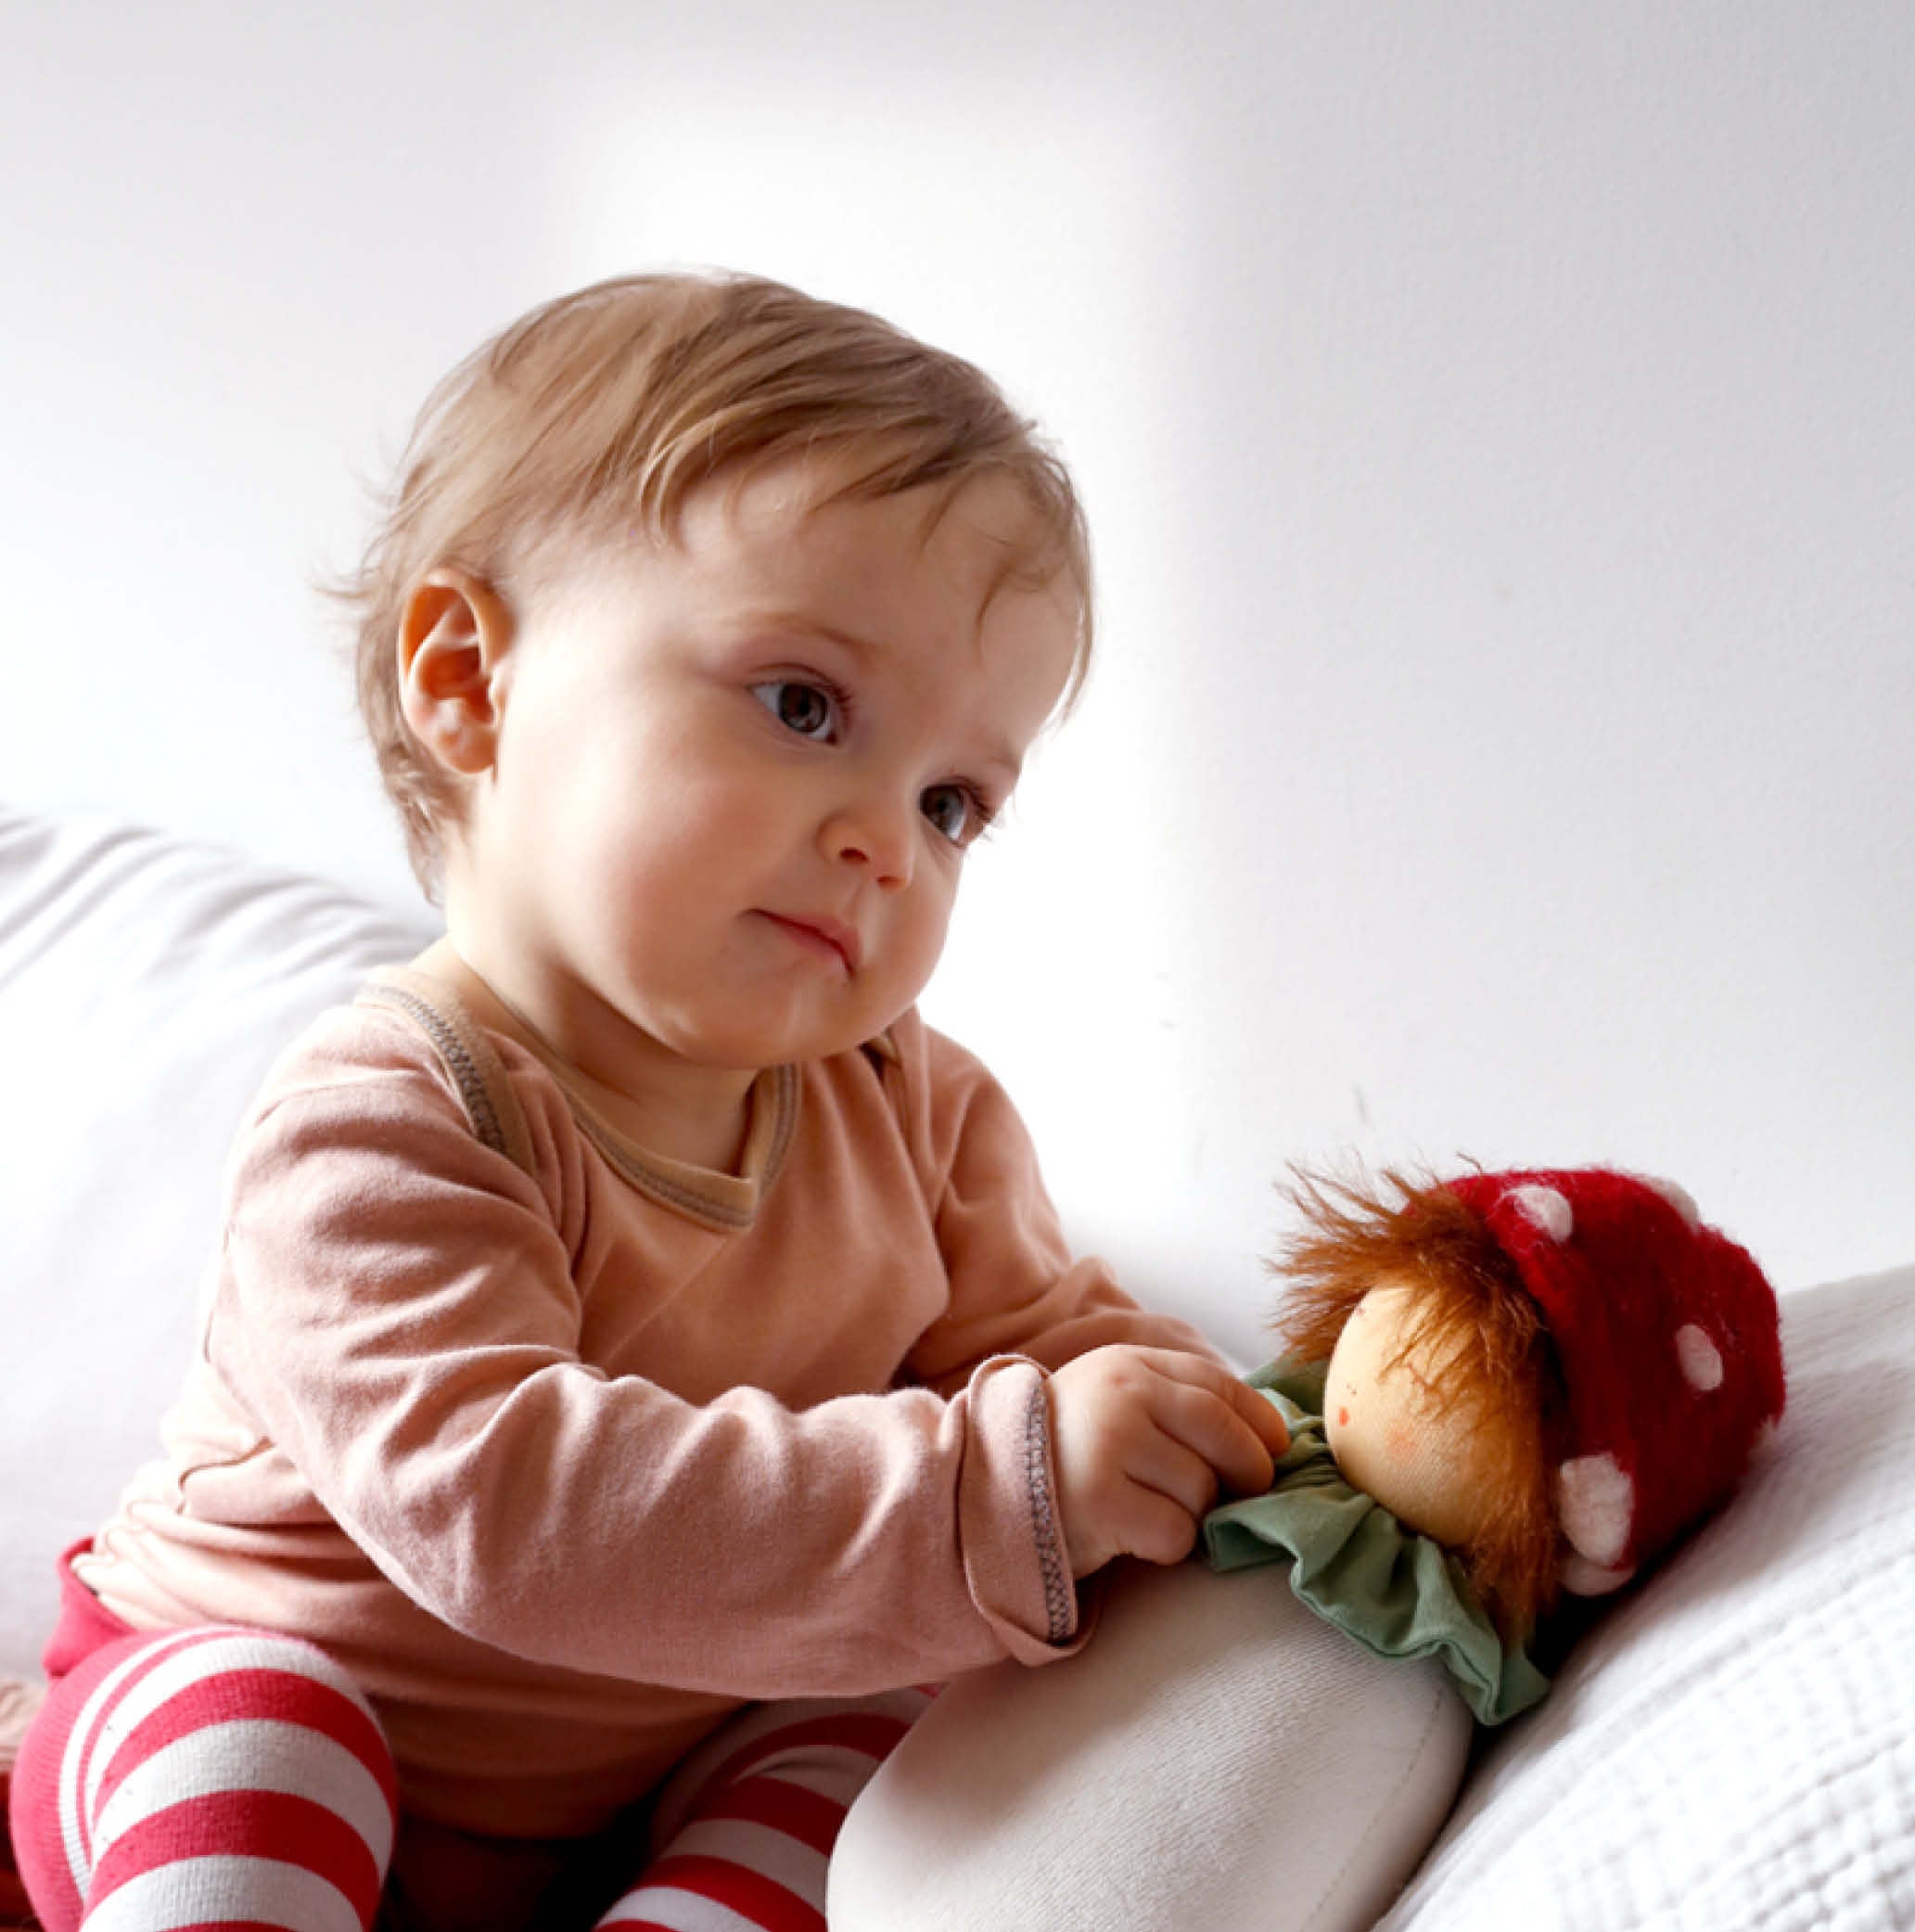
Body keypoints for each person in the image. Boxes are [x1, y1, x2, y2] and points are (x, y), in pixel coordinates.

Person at [8, 271, 1288, 1932]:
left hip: (626, 1809)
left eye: (954, 800)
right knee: (266, 1743)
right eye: (804, 706)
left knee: (873, 1759)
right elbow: (512, 1509)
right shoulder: (385, 1119)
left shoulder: (917, 1118)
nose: (885, 842)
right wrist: (1001, 1497)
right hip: (230, 1706)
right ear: (470, 683)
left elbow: (1057, 1352)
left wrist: (1261, 1435)